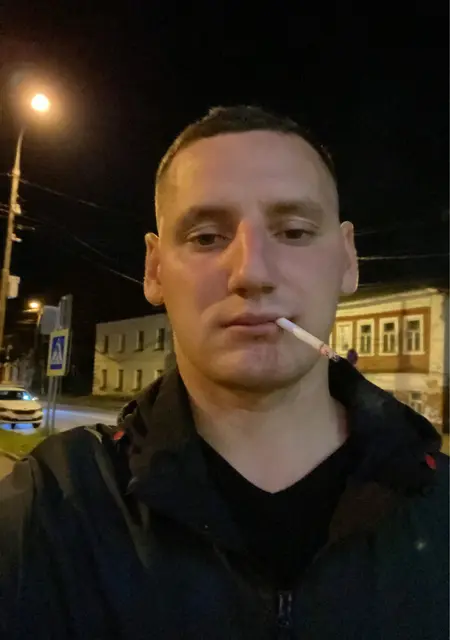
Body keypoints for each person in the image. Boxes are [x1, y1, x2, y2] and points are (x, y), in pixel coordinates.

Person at [0, 106, 448, 640]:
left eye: (295, 232)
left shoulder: (438, 508)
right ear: (154, 269)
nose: (251, 272)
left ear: (348, 259)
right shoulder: (51, 511)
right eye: (207, 237)